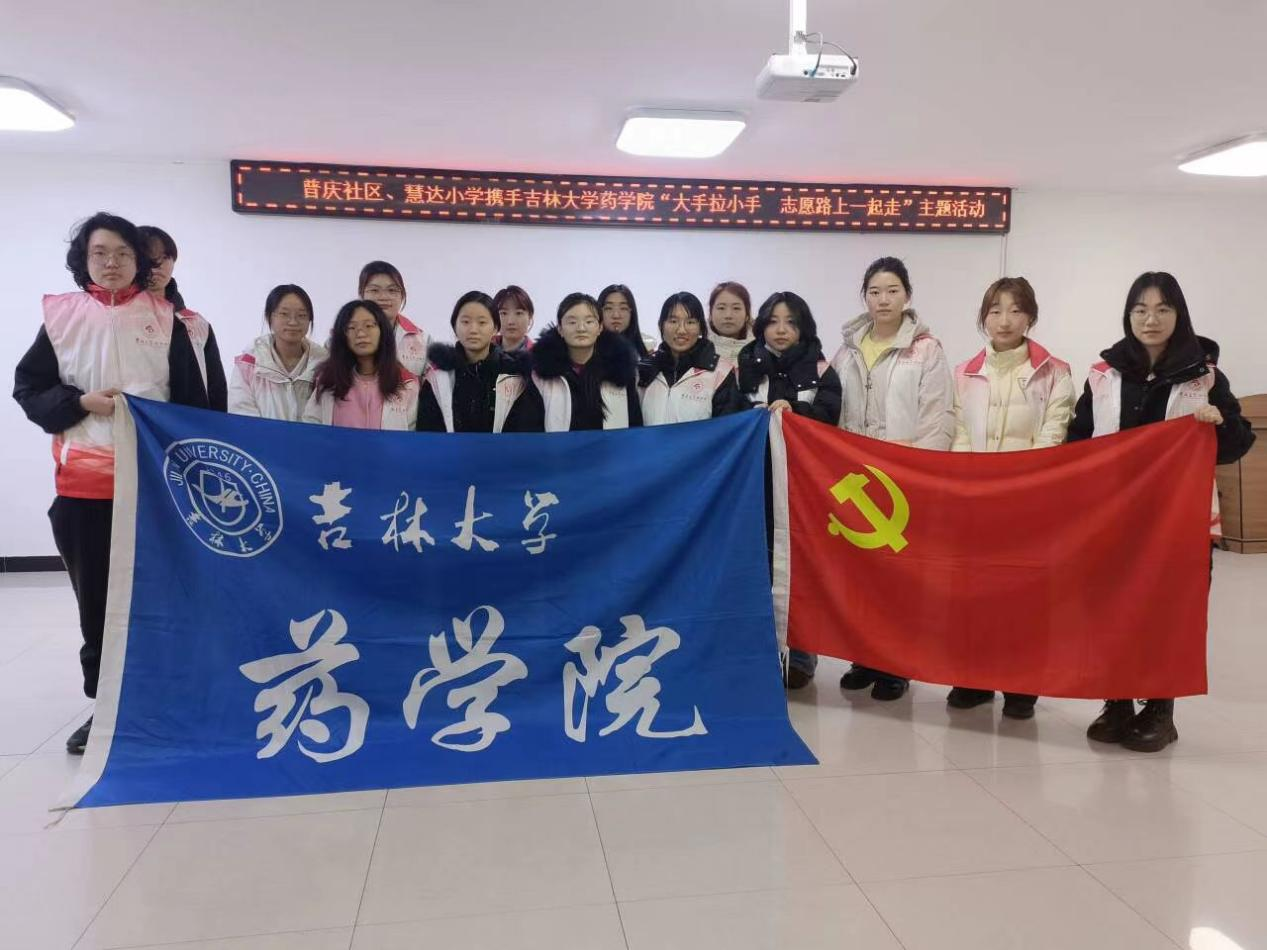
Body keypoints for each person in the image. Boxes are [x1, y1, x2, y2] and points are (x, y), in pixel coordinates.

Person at [12, 212, 208, 753]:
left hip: (156, 489)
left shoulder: (169, 320)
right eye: (100, 253)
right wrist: (80, 402)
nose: (112, 262)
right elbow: (29, 388)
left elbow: (195, 408)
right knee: (98, 602)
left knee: (161, 598)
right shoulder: (61, 317)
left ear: (139, 260)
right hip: (85, 488)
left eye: (123, 253)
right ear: (85, 259)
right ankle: (107, 707)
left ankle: (167, 699)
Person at [1067, 271, 1255, 752]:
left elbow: (1238, 443)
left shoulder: (1205, 376)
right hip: (1112, 517)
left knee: (1167, 611)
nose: (1150, 319)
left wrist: (1217, 423)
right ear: (1128, 315)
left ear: (1179, 315)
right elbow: (1078, 440)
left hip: (1176, 521)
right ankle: (1115, 701)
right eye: (1140, 310)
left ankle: (1159, 709)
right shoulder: (1104, 374)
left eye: (1162, 309)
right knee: (1110, 608)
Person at [946, 277, 1076, 719]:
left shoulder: (1054, 372)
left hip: (1029, 502)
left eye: (1015, 310)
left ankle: (1022, 685)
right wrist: (969, 484)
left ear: (1030, 317)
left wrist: (1021, 486)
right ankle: (973, 678)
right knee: (974, 592)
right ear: (984, 318)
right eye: (995, 310)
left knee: (1024, 595)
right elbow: (959, 432)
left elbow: (1054, 433)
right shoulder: (964, 372)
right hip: (976, 500)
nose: (1005, 320)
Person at [831, 256, 955, 700]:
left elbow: (938, 417)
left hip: (903, 479)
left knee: (900, 577)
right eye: (874, 292)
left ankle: (896, 664)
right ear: (864, 297)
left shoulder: (926, 350)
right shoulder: (846, 350)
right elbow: (833, 411)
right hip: (856, 480)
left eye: (892, 291)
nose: (883, 300)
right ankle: (863, 656)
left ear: (907, 295)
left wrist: (919, 473)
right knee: (860, 575)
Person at [737, 291, 843, 690]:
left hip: (803, 489)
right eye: (773, 321)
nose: (781, 330)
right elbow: (722, 413)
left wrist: (795, 412)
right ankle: (757, 654)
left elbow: (831, 416)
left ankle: (800, 656)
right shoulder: (741, 367)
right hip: (751, 487)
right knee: (755, 570)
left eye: (791, 322)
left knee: (802, 571)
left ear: (804, 327)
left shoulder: (821, 368)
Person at [417, 291, 544, 432]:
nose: (473, 330)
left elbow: (526, 431)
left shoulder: (514, 376)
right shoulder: (438, 378)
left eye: (482, 322)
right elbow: (427, 432)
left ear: (495, 328)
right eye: (465, 322)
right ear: (455, 327)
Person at [138, 225, 227, 411]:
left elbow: (216, 388)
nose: (157, 267)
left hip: (186, 422)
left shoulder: (195, 323)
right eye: (148, 258)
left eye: (165, 258)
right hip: (135, 417)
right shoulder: (115, 318)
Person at [531, 293, 643, 430]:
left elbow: (635, 425)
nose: (581, 328)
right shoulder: (540, 376)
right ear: (560, 329)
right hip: (558, 445)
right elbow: (531, 430)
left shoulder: (621, 371)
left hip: (611, 444)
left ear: (600, 327)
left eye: (589, 322)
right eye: (572, 322)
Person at [302, 300, 419, 430]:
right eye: (351, 328)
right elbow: (310, 427)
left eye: (368, 326)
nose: (361, 334)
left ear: (383, 330)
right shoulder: (328, 380)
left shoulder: (406, 383)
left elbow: (413, 435)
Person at [639, 291, 746, 425]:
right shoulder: (646, 369)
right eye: (673, 321)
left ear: (701, 327)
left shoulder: (721, 373)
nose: (681, 330)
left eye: (690, 322)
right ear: (661, 325)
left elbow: (727, 429)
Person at [228, 284, 327, 421]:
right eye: (284, 314)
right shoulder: (249, 364)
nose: (293, 322)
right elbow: (240, 412)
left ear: (310, 320)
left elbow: (324, 415)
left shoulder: (324, 365)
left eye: (301, 315)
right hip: (259, 435)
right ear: (269, 317)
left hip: (310, 436)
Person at [358, 260, 427, 376]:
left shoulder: (423, 340)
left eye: (392, 290)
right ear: (361, 294)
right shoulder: (341, 337)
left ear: (402, 295)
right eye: (374, 290)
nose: (384, 297)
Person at [598, 284, 656, 358]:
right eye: (609, 308)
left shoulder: (647, 348)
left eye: (623, 308)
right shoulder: (589, 348)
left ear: (631, 313)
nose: (616, 315)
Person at [708, 280, 755, 363]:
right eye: (721, 308)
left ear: (747, 315)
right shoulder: (695, 349)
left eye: (736, 308)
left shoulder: (759, 352)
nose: (728, 315)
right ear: (710, 314)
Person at [493, 285, 535, 353]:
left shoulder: (539, 356)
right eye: (503, 313)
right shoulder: (483, 349)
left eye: (518, 313)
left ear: (529, 317)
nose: (510, 321)